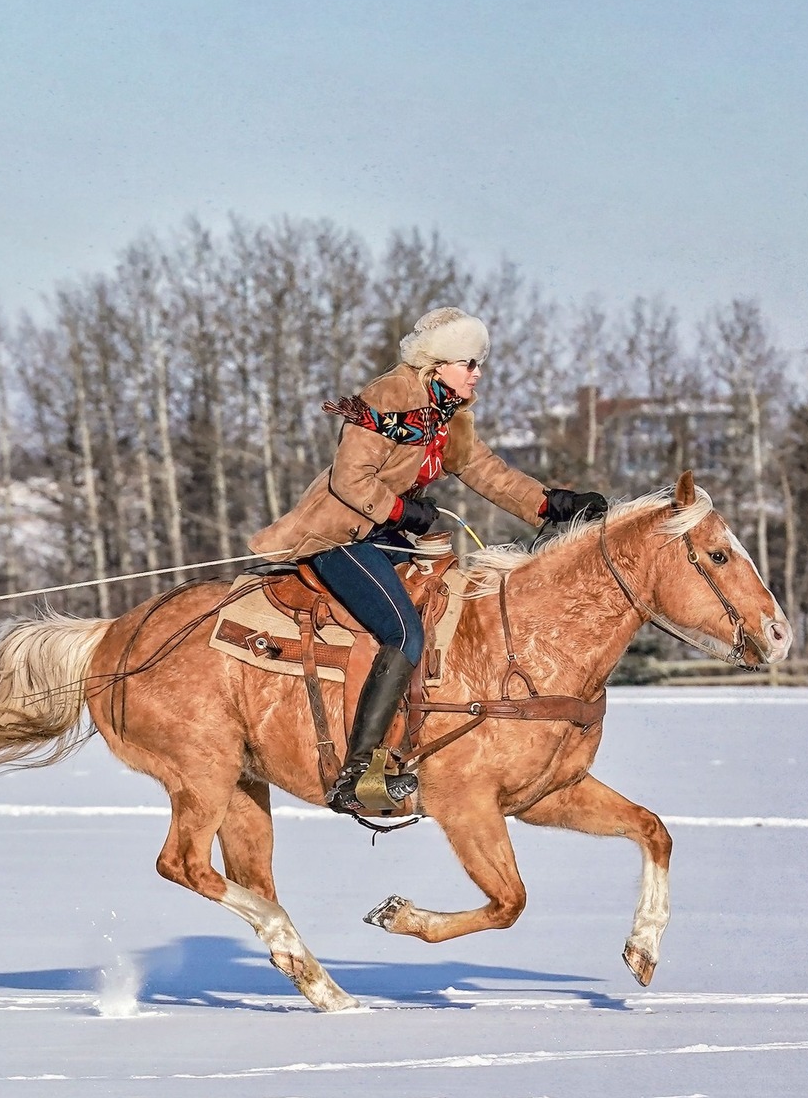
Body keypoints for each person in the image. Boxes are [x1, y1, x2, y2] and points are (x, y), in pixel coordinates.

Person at [245, 308, 607, 816]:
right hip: (337, 535)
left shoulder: (450, 415)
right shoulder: (389, 398)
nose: (476, 373)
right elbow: (350, 479)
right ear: (436, 364)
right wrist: (402, 510)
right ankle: (358, 774)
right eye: (468, 363)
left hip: (390, 537)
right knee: (404, 633)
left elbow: (487, 471)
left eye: (478, 363)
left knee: (451, 619)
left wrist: (553, 504)